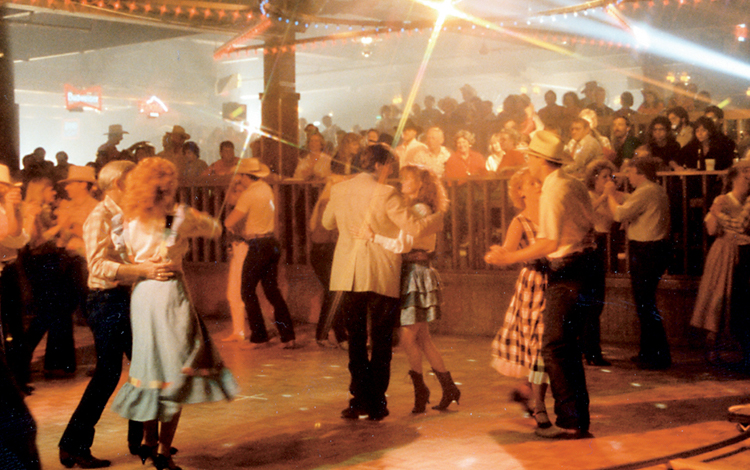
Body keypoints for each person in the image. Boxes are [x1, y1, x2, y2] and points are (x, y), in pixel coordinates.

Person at [111, 157, 237, 470]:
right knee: (178, 368)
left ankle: (149, 442)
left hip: (142, 295)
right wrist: (205, 221)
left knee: (150, 368)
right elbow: (214, 229)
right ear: (167, 183)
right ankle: (163, 451)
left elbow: (126, 255)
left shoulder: (126, 219)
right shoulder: (175, 216)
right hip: (168, 294)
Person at [58, 161, 178, 468]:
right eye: (132, 178)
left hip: (125, 297)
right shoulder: (100, 216)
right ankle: (74, 443)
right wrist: (143, 269)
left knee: (142, 369)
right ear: (117, 184)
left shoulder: (129, 213)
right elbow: (98, 266)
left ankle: (141, 442)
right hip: (105, 300)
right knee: (109, 373)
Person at [485, 130, 597, 439]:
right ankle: (574, 419)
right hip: (585, 264)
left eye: (529, 157)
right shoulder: (573, 183)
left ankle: (570, 421)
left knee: (555, 347)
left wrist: (509, 258)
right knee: (565, 347)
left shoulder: (553, 190)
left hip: (567, 267)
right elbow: (596, 222)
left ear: (538, 160)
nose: (528, 163)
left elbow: (548, 241)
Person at [321, 144, 443, 421]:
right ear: (379, 165)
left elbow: (327, 223)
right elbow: (414, 227)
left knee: (355, 339)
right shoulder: (388, 194)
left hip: (346, 274)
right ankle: (377, 402)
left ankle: (358, 399)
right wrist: (439, 218)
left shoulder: (340, 190)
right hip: (380, 272)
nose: (392, 172)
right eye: (390, 166)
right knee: (381, 339)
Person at [359, 165, 459, 413]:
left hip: (415, 273)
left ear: (421, 184)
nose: (403, 181)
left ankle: (423, 389)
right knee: (423, 339)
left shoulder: (417, 209)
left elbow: (401, 245)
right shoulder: (420, 208)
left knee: (407, 338)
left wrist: (373, 237)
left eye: (409, 179)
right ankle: (447, 387)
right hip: (416, 272)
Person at [489, 168, 552, 430]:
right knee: (538, 346)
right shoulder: (521, 221)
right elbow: (507, 252)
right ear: (520, 191)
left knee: (547, 346)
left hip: (556, 283)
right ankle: (538, 406)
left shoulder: (551, 216)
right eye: (531, 183)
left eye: (540, 181)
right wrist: (498, 254)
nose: (538, 186)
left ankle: (529, 391)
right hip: (534, 285)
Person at [604, 156, 672, 370]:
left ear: (639, 172)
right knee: (645, 302)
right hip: (655, 250)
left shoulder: (646, 191)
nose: (628, 177)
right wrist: (616, 194)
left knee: (645, 303)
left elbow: (619, 213)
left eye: (630, 172)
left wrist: (608, 195)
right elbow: (631, 199)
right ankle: (648, 351)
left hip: (646, 251)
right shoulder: (654, 190)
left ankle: (658, 355)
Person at [224, 158, 297, 349]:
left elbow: (229, 221)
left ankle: (259, 336)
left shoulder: (249, 194)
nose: (238, 179)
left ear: (247, 176)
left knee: (247, 291)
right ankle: (288, 335)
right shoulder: (266, 189)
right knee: (272, 291)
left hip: (257, 244)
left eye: (240, 175)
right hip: (271, 243)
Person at [691, 162, 750, 364]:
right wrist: (716, 215)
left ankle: (742, 347)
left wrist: (720, 215)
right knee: (718, 295)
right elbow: (710, 229)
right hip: (724, 251)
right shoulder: (723, 199)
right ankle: (712, 344)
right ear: (733, 178)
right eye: (745, 176)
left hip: (745, 253)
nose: (748, 181)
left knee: (739, 299)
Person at [582, 159, 622, 366]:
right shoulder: (589, 195)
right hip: (593, 243)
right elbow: (587, 212)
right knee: (592, 300)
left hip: (605, 243)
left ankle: (589, 348)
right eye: (604, 177)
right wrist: (606, 194)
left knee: (597, 299)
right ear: (594, 179)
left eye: (610, 177)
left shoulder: (610, 197)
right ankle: (591, 351)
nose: (608, 180)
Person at [220, 176, 250, 343]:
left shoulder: (243, 211)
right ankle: (238, 330)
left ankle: (240, 331)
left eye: (239, 191)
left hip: (244, 249)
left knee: (237, 292)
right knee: (234, 292)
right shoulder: (239, 209)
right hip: (238, 249)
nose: (235, 194)